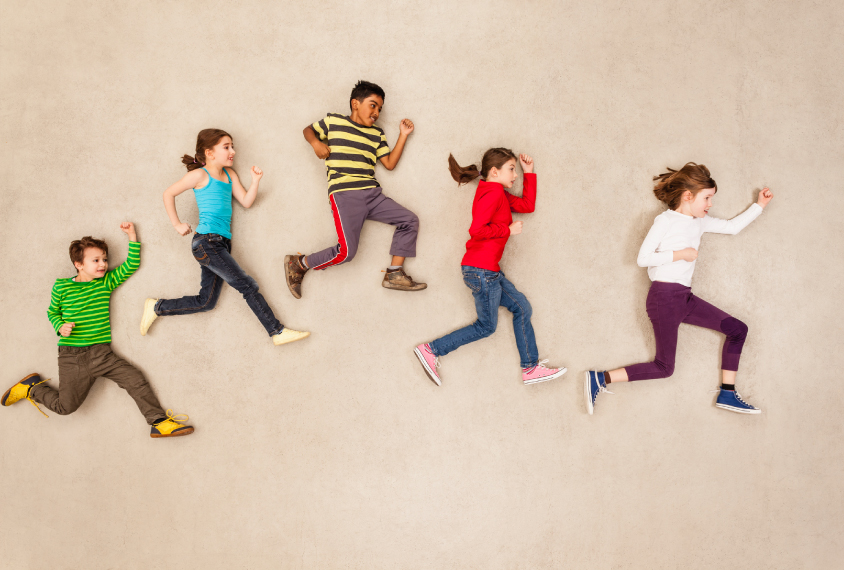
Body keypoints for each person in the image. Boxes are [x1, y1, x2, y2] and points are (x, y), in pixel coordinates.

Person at [585, 163, 774, 415]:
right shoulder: (665, 220)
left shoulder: (700, 222)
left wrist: (759, 205)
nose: (710, 204)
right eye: (707, 198)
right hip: (664, 298)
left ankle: (727, 393)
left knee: (738, 329)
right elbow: (643, 258)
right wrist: (680, 254)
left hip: (684, 298)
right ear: (688, 196)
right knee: (664, 367)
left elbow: (732, 227)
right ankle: (599, 378)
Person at [2, 224, 194, 438]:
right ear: (79, 264)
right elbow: (52, 312)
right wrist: (60, 326)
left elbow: (131, 264)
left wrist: (132, 235)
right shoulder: (61, 286)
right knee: (65, 407)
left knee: (135, 379)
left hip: (102, 354)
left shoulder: (105, 283)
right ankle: (31, 388)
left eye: (104, 259)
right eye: (96, 260)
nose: (103, 264)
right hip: (72, 357)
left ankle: (158, 422)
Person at [139, 128, 309, 346]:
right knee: (247, 285)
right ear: (209, 153)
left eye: (232, 146)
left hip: (221, 244)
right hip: (206, 243)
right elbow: (168, 193)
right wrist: (177, 224)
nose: (233, 151)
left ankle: (157, 307)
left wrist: (255, 181)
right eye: (226, 147)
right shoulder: (200, 174)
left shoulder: (230, 175)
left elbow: (246, 202)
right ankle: (276, 331)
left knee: (206, 301)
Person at [414, 150, 567, 386]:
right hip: (481, 271)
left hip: (488, 271)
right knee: (486, 327)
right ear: (495, 172)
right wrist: (508, 230)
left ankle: (530, 368)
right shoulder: (493, 193)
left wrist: (529, 174)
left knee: (522, 308)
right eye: (511, 169)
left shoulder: (499, 193)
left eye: (515, 169)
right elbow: (476, 229)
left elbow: (527, 205)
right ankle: (431, 350)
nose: (514, 174)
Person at [284, 80, 426, 297]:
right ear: (355, 104)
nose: (377, 112)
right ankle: (300, 263)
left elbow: (389, 164)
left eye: (380, 108)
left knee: (410, 220)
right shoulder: (334, 122)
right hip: (345, 194)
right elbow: (308, 130)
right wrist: (316, 143)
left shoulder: (376, 134)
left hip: (373, 194)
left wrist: (403, 135)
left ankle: (394, 273)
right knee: (347, 252)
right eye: (373, 105)